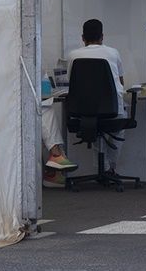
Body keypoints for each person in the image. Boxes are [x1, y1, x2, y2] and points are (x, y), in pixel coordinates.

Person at [41, 18, 128, 188]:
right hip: (112, 110)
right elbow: (122, 82)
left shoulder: (74, 55)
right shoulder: (113, 53)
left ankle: (100, 169)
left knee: (94, 128)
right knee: (117, 128)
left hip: (84, 113)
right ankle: (111, 168)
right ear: (102, 37)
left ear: (83, 37)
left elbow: (73, 82)